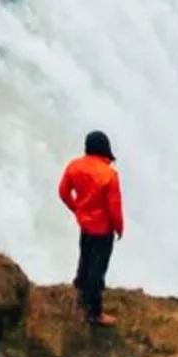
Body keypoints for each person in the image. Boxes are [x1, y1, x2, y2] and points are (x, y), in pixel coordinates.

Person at [57, 130, 124, 326]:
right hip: (103, 229)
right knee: (97, 268)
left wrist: (76, 209)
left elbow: (63, 192)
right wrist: (119, 228)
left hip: (84, 225)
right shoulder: (109, 175)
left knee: (85, 259)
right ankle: (94, 313)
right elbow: (114, 208)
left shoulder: (74, 166)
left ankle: (79, 297)